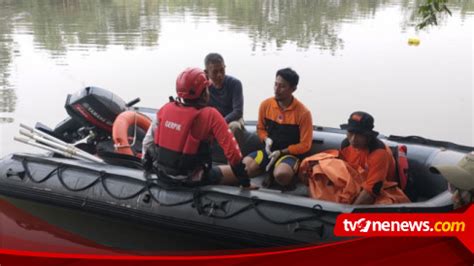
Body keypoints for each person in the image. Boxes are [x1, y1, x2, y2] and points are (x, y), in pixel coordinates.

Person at [142, 67, 253, 189]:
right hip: (194, 179)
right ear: (204, 93)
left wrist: (147, 170)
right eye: (206, 88)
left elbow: (148, 143)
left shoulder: (165, 109)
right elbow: (233, 153)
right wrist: (245, 183)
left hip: (163, 176)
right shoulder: (211, 115)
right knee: (231, 173)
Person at [242, 67, 313, 187]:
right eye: (275, 84)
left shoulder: (303, 113)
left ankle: (280, 174)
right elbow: (260, 128)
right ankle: (264, 171)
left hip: (289, 155)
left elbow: (305, 145)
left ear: (293, 89)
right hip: (268, 151)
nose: (276, 89)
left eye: (282, 86)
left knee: (281, 175)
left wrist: (281, 152)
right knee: (243, 168)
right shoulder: (266, 105)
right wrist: (265, 139)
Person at [339, 111, 409, 204]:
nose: (353, 139)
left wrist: (348, 213)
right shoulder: (345, 145)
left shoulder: (379, 153)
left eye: (359, 134)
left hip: (382, 190)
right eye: (350, 133)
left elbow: (372, 191)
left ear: (368, 136)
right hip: (354, 184)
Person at [204, 53, 245, 138]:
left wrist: (220, 123)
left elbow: (238, 111)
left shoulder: (235, 84)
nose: (219, 75)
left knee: (235, 127)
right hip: (213, 120)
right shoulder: (204, 87)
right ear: (206, 72)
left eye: (222, 70)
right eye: (215, 72)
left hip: (233, 119)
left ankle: (233, 151)